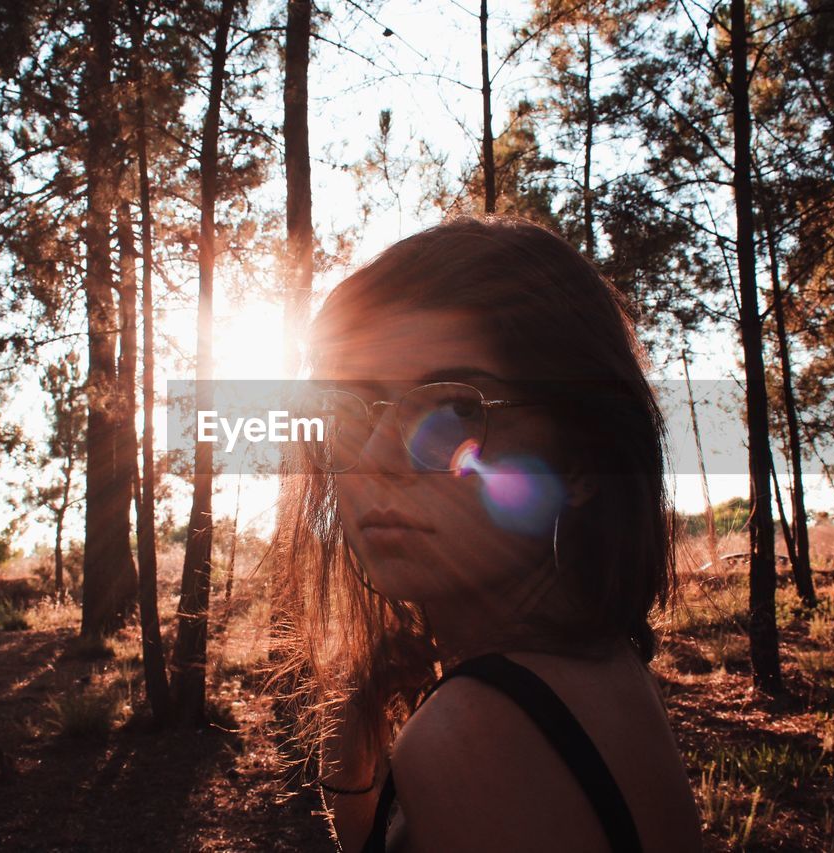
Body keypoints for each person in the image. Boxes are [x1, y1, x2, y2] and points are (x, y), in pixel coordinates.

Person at [263, 216, 703, 852]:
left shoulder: (476, 730)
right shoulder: (601, 667)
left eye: (452, 410)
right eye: (348, 412)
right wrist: (355, 714)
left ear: (580, 459)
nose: (377, 458)